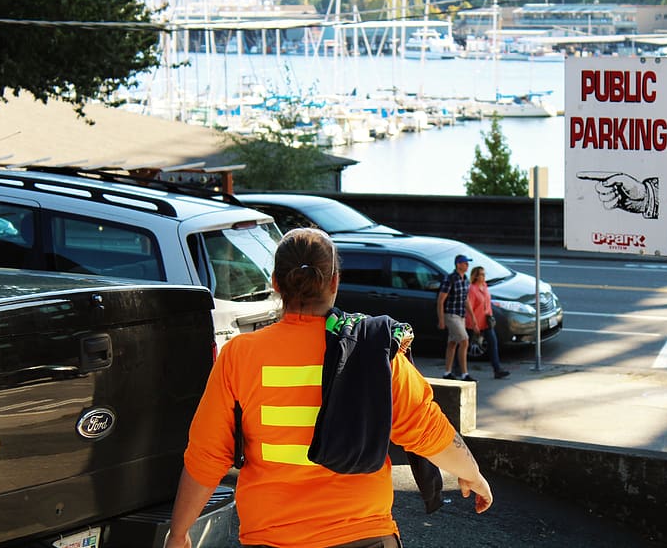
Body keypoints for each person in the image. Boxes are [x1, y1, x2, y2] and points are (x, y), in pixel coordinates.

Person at [164, 228, 492, 548]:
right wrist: (472, 474)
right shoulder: (372, 349)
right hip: (364, 534)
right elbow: (428, 431)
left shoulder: (239, 355)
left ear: (275, 283)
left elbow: (207, 455)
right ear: (335, 281)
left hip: (272, 537)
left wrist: (179, 531)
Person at [436, 254, 477, 381]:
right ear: (458, 264)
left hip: (461, 315)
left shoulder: (465, 279)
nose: (467, 265)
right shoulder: (450, 279)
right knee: (464, 340)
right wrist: (441, 319)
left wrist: (473, 317)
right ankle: (464, 373)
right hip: (451, 315)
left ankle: (447, 372)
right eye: (465, 263)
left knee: (452, 343)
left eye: (467, 263)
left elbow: (466, 300)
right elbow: (440, 300)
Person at [466, 265, 510, 379]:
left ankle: (497, 369)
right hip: (474, 323)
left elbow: (487, 303)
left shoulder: (484, 286)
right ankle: (456, 367)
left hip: (486, 322)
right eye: (481, 274)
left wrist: (491, 316)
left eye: (484, 274)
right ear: (476, 276)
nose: (484, 276)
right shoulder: (472, 289)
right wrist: (474, 324)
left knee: (493, 344)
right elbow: (469, 307)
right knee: (464, 346)